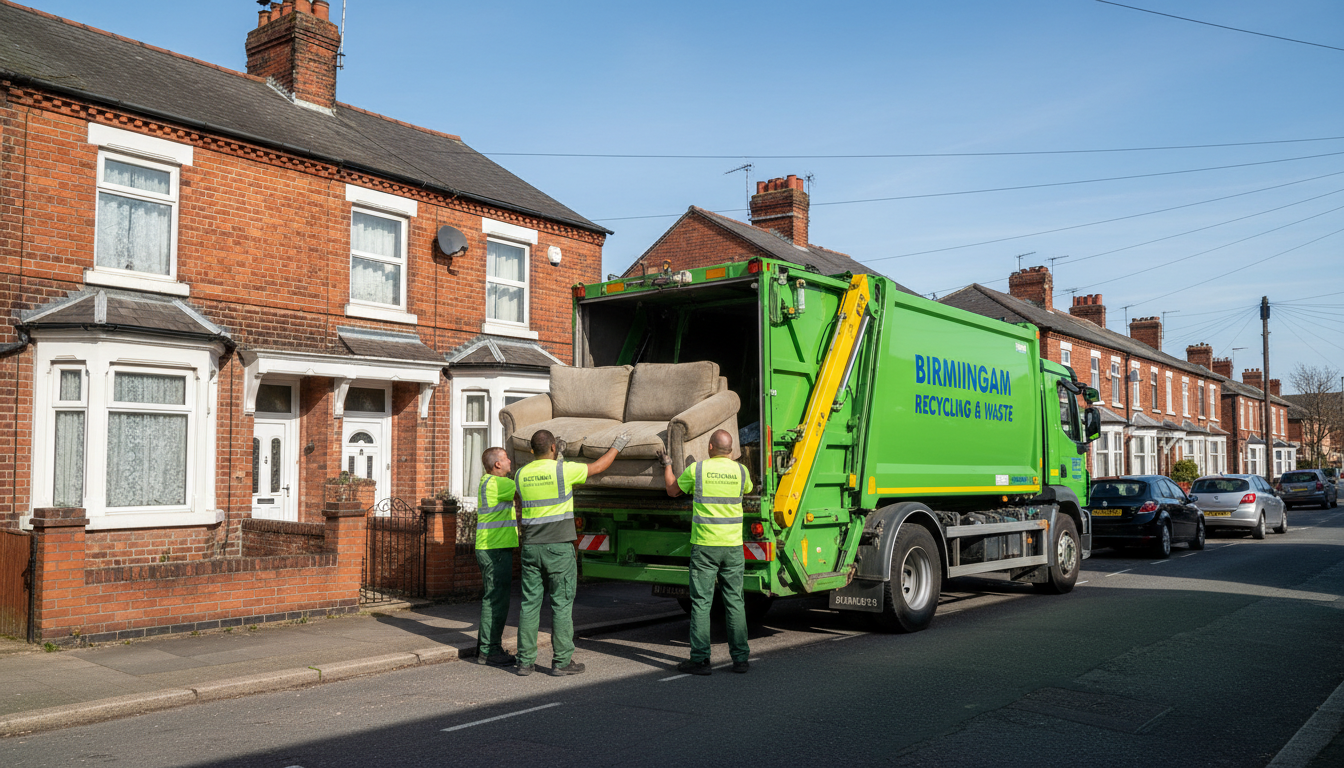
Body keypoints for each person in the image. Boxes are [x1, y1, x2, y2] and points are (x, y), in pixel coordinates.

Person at [514, 428, 628, 676]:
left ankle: (524, 662)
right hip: (559, 548)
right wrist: (617, 445)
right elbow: (598, 466)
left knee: (529, 604)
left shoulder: (520, 474)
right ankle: (562, 662)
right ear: (554, 447)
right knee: (561, 605)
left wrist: (559, 458)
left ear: (533, 451)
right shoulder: (563, 470)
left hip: (531, 548)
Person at [657, 429, 752, 675]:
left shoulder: (697, 470)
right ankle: (740, 659)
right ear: (730, 450)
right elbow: (749, 490)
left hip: (706, 546)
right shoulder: (742, 472)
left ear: (710, 447)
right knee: (735, 602)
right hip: (732, 547)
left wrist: (667, 465)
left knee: (701, 602)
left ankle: (700, 660)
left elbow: (672, 490)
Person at [471, 446, 519, 668]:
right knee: (496, 601)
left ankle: (485, 647)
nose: (510, 462)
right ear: (497, 464)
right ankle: (490, 651)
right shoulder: (502, 484)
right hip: (495, 549)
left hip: (489, 547)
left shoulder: (487, 482)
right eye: (507, 458)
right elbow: (526, 487)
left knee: (492, 598)